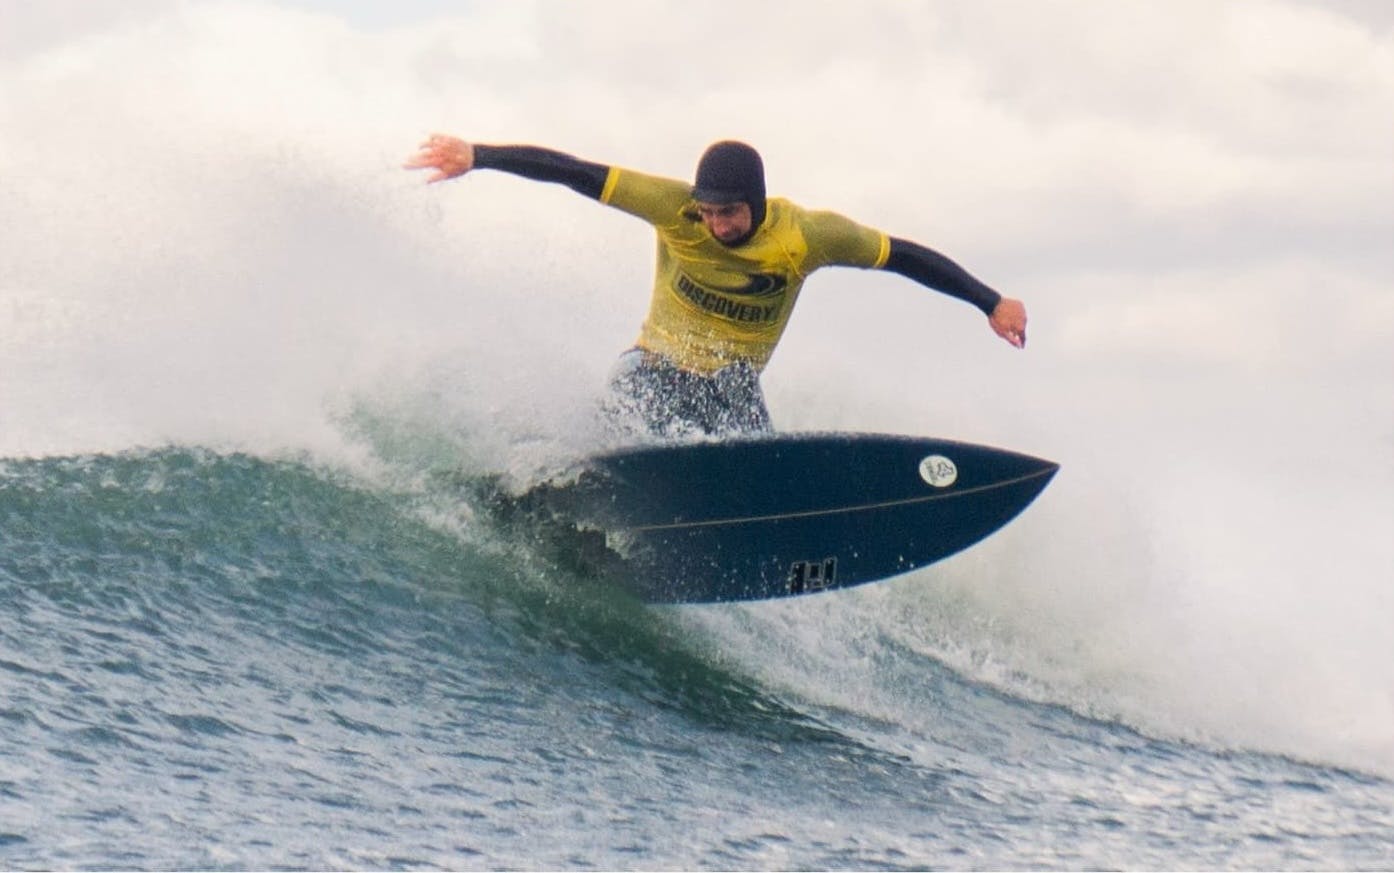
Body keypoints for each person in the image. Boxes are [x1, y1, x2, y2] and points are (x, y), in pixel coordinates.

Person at [405, 135, 1027, 438]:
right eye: (709, 211)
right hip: (653, 367)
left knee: (760, 458)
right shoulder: (674, 208)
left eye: (730, 213)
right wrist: (480, 155)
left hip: (732, 386)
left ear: (755, 204)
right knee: (622, 419)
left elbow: (903, 256)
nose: (717, 223)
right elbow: (575, 172)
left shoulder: (808, 236)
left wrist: (990, 302)